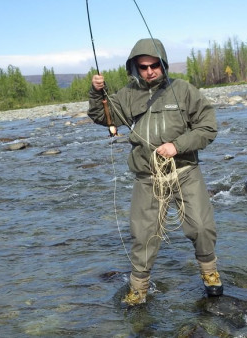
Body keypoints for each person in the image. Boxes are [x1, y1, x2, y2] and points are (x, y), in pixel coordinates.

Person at [88, 38, 222, 306]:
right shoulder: (127, 95)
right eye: (143, 67)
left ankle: (210, 273)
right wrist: (96, 93)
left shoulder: (184, 90)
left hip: (184, 170)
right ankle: (139, 288)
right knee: (143, 235)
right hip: (148, 176)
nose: (149, 71)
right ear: (135, 68)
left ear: (163, 64)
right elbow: (104, 117)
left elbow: (208, 128)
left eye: (154, 65)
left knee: (202, 227)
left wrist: (178, 145)